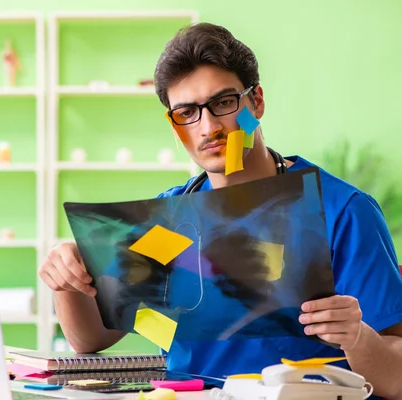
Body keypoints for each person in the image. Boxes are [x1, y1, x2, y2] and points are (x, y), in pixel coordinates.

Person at [38, 23, 402, 399]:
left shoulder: (342, 212)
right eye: (186, 113)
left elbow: (398, 377)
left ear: (256, 102)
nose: (208, 128)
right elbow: (92, 338)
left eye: (224, 103)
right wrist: (67, 280)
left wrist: (358, 337)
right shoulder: (167, 220)